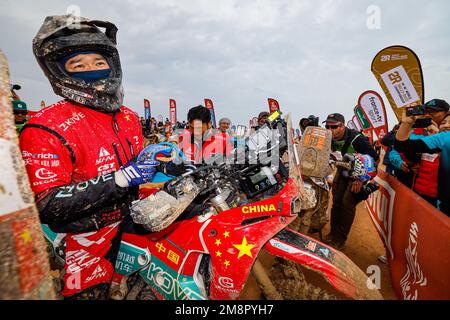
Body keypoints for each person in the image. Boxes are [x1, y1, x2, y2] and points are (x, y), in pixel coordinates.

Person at [20, 15, 173, 299]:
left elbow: (140, 165)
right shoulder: (45, 126)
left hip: (132, 221)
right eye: (78, 64)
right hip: (84, 237)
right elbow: (45, 205)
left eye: (98, 62)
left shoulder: (128, 117)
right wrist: (122, 177)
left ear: (112, 63)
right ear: (59, 71)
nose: (91, 69)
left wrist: (170, 165)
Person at [322, 113, 379, 250]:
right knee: (336, 201)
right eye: (327, 126)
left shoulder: (357, 139)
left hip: (359, 174)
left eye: (334, 126)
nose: (330, 129)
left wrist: (360, 178)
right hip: (343, 170)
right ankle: (333, 233)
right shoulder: (329, 138)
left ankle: (340, 239)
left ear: (342, 126)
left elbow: (375, 159)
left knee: (347, 203)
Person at [395, 102, 450, 216]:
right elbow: (401, 147)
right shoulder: (440, 139)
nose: (446, 125)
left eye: (434, 112)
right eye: (444, 122)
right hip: (430, 196)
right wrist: (406, 123)